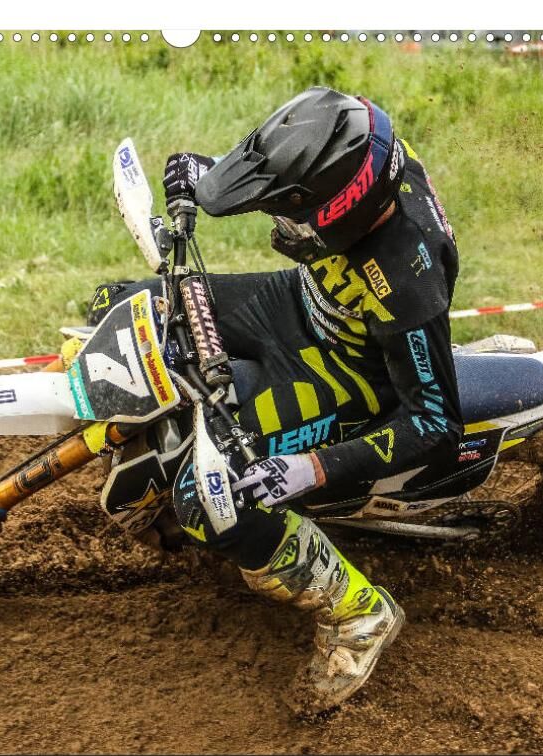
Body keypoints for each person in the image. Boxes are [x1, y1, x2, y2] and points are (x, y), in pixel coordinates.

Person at [88, 87, 463, 713]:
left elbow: (435, 420)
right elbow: (292, 180)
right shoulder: (363, 151)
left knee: (211, 501)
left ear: (342, 214)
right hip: (297, 305)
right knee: (117, 305)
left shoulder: (406, 279)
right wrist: (208, 177)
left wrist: (310, 468)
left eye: (296, 218)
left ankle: (358, 613)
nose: (284, 226)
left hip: (346, 373)